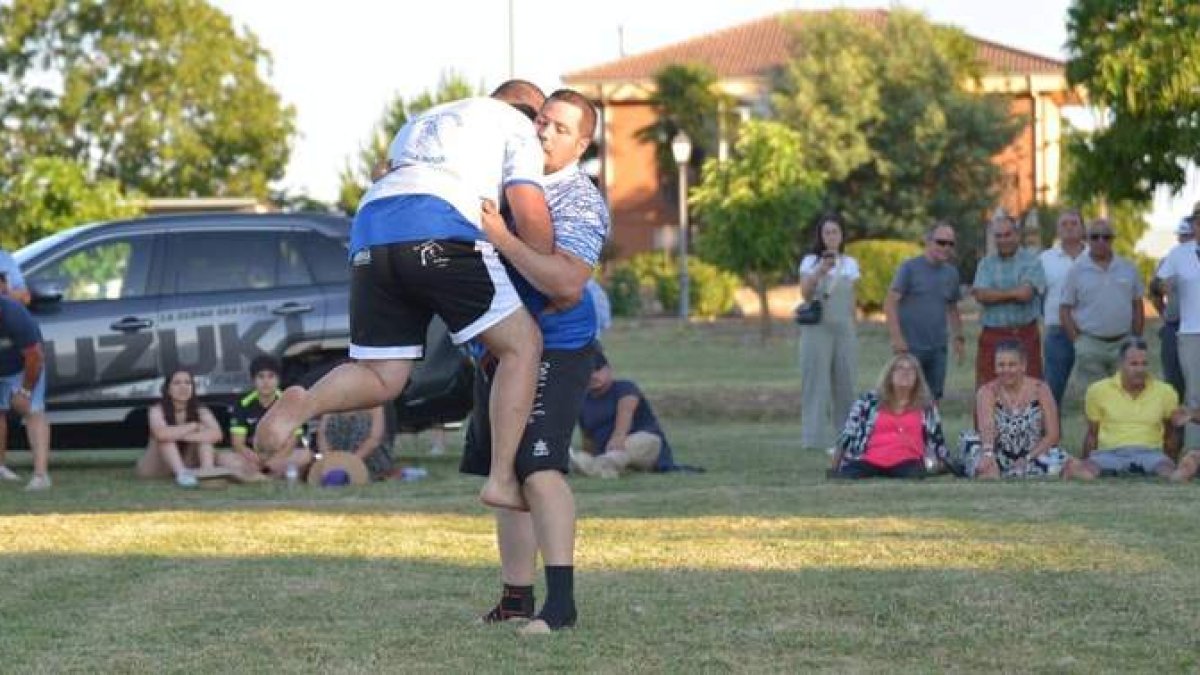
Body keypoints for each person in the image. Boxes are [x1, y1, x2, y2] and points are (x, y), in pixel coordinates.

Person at [255, 80, 554, 512]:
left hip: (371, 230)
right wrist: (545, 266)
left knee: (382, 376)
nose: (544, 135)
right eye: (542, 122)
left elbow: (383, 172)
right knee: (522, 346)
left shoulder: (423, 121)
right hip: (439, 225)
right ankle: (502, 478)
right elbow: (528, 207)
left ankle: (305, 401)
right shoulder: (516, 124)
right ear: (528, 109)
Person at [461, 89, 608, 634]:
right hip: (499, 346)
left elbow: (567, 285)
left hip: (557, 345)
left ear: (582, 143)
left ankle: (561, 606)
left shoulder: (579, 200)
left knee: (539, 467)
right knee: (503, 477)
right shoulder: (503, 177)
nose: (545, 133)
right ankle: (516, 598)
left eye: (561, 129)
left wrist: (503, 236)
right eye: (542, 122)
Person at [1071, 338, 1191, 479]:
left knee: (1169, 472)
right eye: (1134, 364)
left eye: (1144, 364)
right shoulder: (1098, 390)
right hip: (1109, 453)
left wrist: (1170, 460)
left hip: (1150, 453)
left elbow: (1170, 434)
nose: (1140, 370)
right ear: (1121, 364)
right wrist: (1086, 460)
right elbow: (1092, 433)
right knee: (1086, 471)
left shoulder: (1165, 392)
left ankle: (1183, 469)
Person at [1059, 218, 1144, 395]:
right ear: (1087, 239)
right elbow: (1065, 309)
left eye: (1106, 237)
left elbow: (1138, 305)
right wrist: (1078, 342)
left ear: (1113, 239)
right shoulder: (1076, 270)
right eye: (1095, 237)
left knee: (1126, 398)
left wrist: (1135, 339)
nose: (1100, 241)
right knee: (1095, 402)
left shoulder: (1128, 268)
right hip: (1090, 345)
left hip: (1123, 344)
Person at [796, 213, 860, 452]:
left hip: (843, 329)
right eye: (826, 232)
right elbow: (804, 293)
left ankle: (845, 438)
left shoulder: (850, 264)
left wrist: (854, 330)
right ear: (820, 236)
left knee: (846, 383)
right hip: (817, 329)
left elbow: (852, 299)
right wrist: (820, 270)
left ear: (841, 235)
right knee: (815, 383)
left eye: (835, 232)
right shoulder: (810, 261)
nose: (831, 237)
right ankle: (813, 438)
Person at [830, 353, 947, 479]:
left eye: (911, 370)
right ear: (890, 375)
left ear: (917, 378)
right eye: (900, 368)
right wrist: (835, 465)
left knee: (914, 474)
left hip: (908, 460)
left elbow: (937, 439)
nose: (905, 373)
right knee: (849, 474)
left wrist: (942, 463)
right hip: (870, 459)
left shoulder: (926, 406)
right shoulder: (868, 401)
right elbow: (848, 434)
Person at [884, 222, 965, 400]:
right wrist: (897, 339)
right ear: (928, 241)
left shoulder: (951, 274)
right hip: (910, 348)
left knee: (934, 398)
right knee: (906, 397)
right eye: (941, 242)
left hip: (938, 348)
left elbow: (952, 308)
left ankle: (930, 428)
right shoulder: (909, 269)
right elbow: (890, 303)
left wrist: (958, 338)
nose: (946, 248)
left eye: (951, 244)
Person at [969, 340, 1069, 479]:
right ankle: (994, 469)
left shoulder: (1041, 389)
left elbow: (1053, 435)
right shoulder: (987, 391)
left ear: (1023, 366)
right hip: (997, 451)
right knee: (976, 452)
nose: (1006, 370)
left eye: (1012, 365)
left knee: (1062, 462)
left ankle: (1021, 470)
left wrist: (1027, 458)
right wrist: (988, 454)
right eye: (1001, 365)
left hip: (1034, 452)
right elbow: (987, 426)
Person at [572, 348, 677, 478]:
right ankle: (602, 467)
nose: (594, 376)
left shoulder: (625, 388)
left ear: (609, 370)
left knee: (635, 443)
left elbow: (626, 412)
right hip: (607, 452)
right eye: (588, 372)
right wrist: (588, 453)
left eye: (598, 370)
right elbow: (587, 437)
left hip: (642, 446)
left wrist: (618, 438)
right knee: (584, 456)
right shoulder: (581, 400)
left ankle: (601, 465)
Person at [972, 213, 1046, 390]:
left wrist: (994, 294)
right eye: (998, 236)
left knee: (1031, 388)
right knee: (988, 389)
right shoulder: (985, 264)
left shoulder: (1032, 261)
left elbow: (1026, 295)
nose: (1003, 240)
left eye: (1007, 234)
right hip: (993, 335)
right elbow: (981, 295)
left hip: (1024, 334)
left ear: (1017, 235)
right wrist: (1013, 293)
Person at [1153, 202, 1200, 450]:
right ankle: (1194, 455)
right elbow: (1156, 285)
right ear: (1194, 225)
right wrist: (1162, 289)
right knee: (1194, 395)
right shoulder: (1179, 253)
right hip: (1191, 332)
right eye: (1198, 222)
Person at [135, 369, 224, 487]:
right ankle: (181, 473)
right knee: (166, 437)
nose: (183, 387)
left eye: (188, 383)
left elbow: (217, 435)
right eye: (177, 383)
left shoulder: (201, 410)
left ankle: (208, 472)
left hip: (187, 460)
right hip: (157, 467)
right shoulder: (157, 409)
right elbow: (161, 434)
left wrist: (185, 435)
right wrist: (193, 426)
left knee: (205, 434)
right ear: (168, 389)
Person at [228, 355, 311, 478]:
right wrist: (255, 459)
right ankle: (267, 475)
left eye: (271, 376)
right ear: (253, 380)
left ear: (278, 380)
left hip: (281, 456)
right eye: (261, 376)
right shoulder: (243, 404)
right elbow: (238, 443)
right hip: (253, 457)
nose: (266, 382)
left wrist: (274, 461)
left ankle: (261, 476)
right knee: (225, 458)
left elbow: (293, 440)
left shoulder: (289, 402)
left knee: (306, 455)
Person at [0, 292, 51, 489]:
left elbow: (34, 357)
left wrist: (25, 391)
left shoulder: (14, 315)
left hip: (24, 365)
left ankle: (41, 476)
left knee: (33, 411)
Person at [1038, 208, 1087, 408]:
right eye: (1064, 224)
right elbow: (1039, 296)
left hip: (1091, 332)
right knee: (1051, 391)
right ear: (1057, 230)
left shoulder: (1094, 256)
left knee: (1095, 392)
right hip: (1057, 333)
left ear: (1083, 228)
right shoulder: (1045, 259)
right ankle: (1050, 439)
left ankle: (1098, 438)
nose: (1069, 228)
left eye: (1074, 223)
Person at [1149, 215, 1195, 399]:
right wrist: (1165, 315)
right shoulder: (1170, 260)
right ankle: (1177, 427)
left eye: (1190, 236)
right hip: (1175, 326)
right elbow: (1155, 291)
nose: (1186, 240)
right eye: (1183, 236)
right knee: (1174, 384)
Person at [316, 405, 394, 480]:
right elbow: (322, 435)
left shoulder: (375, 403)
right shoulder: (333, 401)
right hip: (336, 458)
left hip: (369, 459)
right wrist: (330, 460)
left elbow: (374, 440)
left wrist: (351, 462)